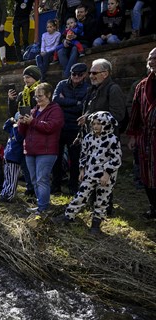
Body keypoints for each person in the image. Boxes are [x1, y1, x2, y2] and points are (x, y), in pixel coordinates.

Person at [57, 111, 121, 234]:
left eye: (99, 124)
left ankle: (96, 223)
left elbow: (116, 159)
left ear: (106, 124)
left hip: (105, 177)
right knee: (81, 195)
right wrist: (82, 170)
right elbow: (84, 155)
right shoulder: (88, 138)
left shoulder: (112, 140)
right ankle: (68, 216)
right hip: (90, 173)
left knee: (102, 199)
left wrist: (107, 174)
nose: (95, 126)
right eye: (93, 124)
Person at [17, 82, 65, 214]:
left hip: (46, 151)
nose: (37, 99)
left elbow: (51, 127)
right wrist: (22, 123)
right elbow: (22, 132)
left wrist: (33, 121)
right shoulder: (33, 111)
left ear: (49, 95)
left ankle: (43, 208)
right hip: (31, 150)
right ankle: (41, 204)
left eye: (40, 96)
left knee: (42, 179)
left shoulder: (55, 110)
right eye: (36, 97)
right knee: (34, 180)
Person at [51, 63, 90, 195]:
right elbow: (55, 100)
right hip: (60, 126)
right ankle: (55, 184)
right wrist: (75, 102)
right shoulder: (62, 84)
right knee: (56, 157)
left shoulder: (87, 87)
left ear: (84, 74)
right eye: (74, 74)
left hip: (75, 127)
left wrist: (66, 102)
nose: (76, 77)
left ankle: (73, 185)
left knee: (75, 159)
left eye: (79, 74)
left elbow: (83, 108)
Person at [127, 47, 156, 218]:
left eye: (155, 58)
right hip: (146, 138)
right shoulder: (142, 86)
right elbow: (135, 112)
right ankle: (154, 207)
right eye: (150, 59)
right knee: (147, 175)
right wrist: (132, 134)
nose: (151, 61)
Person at [8, 65, 41, 196]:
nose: (25, 80)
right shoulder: (22, 93)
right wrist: (11, 101)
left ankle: (37, 188)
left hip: (36, 128)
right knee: (25, 160)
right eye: (24, 77)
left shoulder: (41, 91)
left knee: (35, 161)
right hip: (23, 129)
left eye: (28, 77)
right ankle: (30, 187)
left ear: (35, 77)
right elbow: (12, 113)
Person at [0, 116, 25, 202]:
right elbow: (5, 127)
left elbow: (18, 138)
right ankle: (4, 193)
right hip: (7, 156)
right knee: (7, 177)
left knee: (12, 178)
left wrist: (17, 126)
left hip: (15, 157)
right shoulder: (13, 128)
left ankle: (10, 196)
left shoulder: (20, 130)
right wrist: (11, 120)